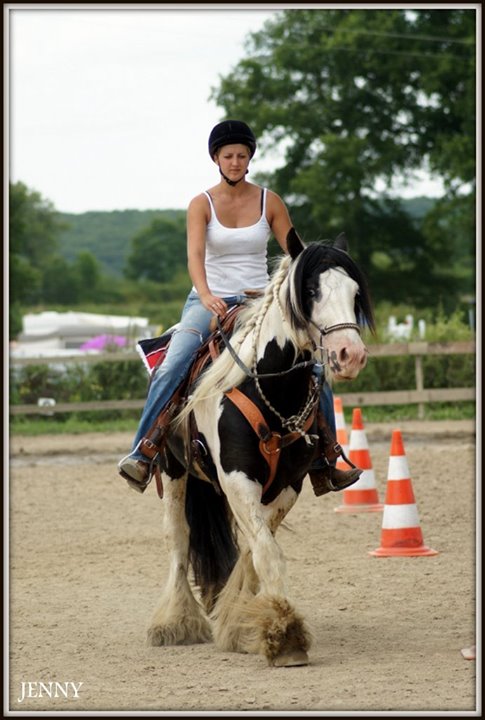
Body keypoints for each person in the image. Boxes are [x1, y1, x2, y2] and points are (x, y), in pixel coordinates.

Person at [118, 120, 361, 496]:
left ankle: (325, 460)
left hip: (260, 301)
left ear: (250, 159)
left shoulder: (270, 201)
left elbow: (297, 255)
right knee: (175, 361)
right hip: (207, 298)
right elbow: (194, 256)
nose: (235, 161)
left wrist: (317, 269)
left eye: (242, 155)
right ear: (216, 158)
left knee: (313, 367)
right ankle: (144, 450)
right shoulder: (201, 204)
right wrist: (205, 294)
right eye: (228, 155)